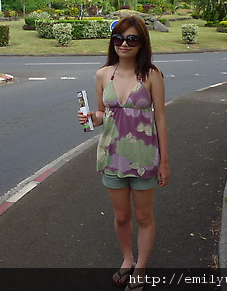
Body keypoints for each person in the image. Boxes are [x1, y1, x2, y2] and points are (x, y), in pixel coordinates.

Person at [78, 15, 170, 290]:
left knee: (143, 216)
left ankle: (140, 268)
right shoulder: (103, 74)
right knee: (121, 216)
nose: (124, 44)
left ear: (142, 42)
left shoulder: (151, 75)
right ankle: (127, 260)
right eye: (118, 38)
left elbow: (161, 119)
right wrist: (90, 119)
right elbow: (102, 115)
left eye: (132, 39)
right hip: (112, 156)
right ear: (112, 41)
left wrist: (165, 162)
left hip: (144, 159)